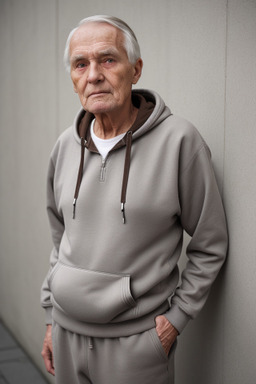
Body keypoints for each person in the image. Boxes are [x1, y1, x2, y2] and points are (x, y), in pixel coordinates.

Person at [41, 15, 228, 384]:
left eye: (107, 59)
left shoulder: (179, 142)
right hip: (65, 334)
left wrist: (175, 321)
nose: (93, 74)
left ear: (135, 69)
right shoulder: (64, 147)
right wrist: (50, 317)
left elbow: (210, 243)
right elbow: (61, 241)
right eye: (81, 64)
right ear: (74, 77)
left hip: (137, 345)